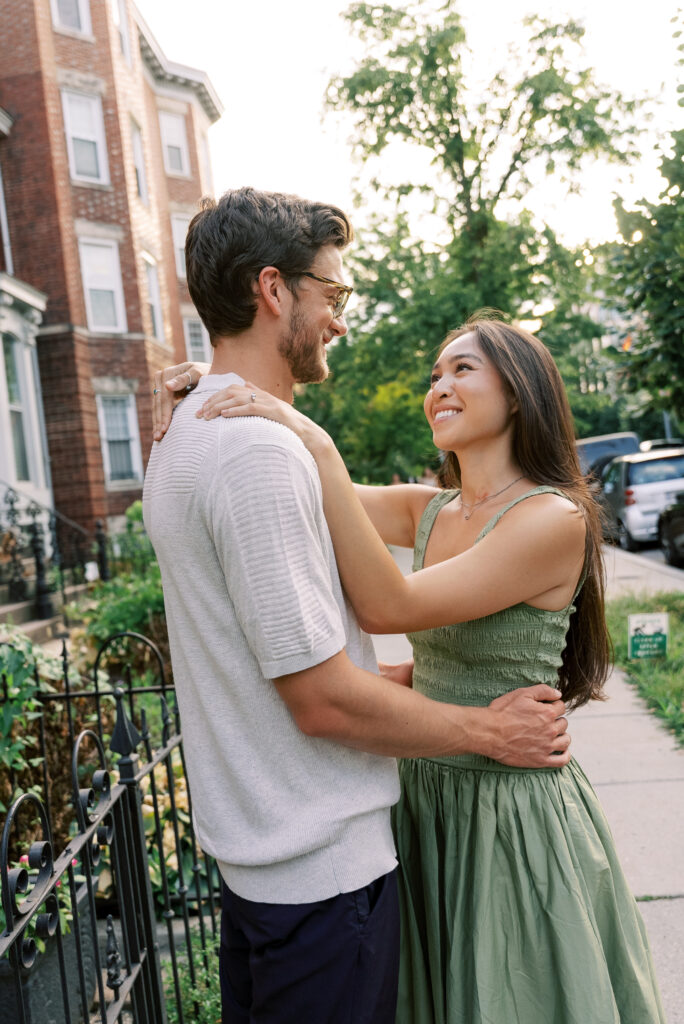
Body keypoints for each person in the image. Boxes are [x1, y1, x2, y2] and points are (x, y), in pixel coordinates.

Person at [144, 188, 571, 1024]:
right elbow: (324, 694)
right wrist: (488, 728)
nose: (341, 319)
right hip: (320, 873)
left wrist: (252, 408)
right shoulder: (254, 455)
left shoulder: (196, 432)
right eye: (333, 295)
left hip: (285, 861)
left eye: (463, 369)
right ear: (275, 290)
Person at [193, 315, 665, 1023]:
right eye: (434, 375)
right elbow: (294, 496)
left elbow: (390, 605)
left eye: (462, 370)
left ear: (519, 391)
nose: (439, 386)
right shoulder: (431, 508)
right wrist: (211, 390)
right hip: (422, 794)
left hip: (507, 810)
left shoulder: (553, 518)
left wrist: (319, 443)